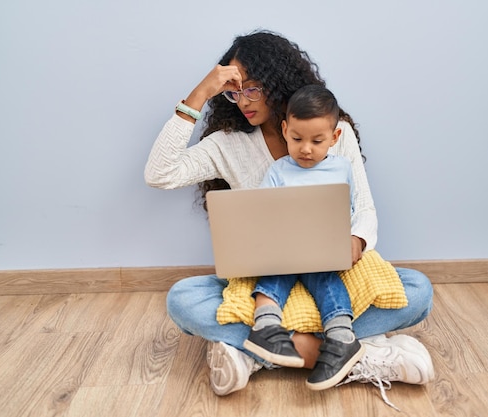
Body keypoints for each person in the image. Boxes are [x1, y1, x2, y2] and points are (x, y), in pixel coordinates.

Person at [144, 30, 435, 400]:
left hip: (331, 272)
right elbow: (159, 175)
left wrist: (356, 240)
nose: (242, 101)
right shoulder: (226, 144)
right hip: (267, 284)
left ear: (277, 81)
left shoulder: (330, 132)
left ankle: (258, 355)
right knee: (182, 299)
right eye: (232, 92)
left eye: (251, 88)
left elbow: (363, 205)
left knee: (417, 290)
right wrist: (200, 93)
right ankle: (343, 356)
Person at [244, 85, 364, 391]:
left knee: (325, 277)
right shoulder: (278, 171)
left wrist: (354, 238)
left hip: (323, 251)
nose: (306, 149)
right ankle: (267, 329)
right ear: (285, 130)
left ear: (335, 138)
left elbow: (352, 210)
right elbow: (260, 213)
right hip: (284, 249)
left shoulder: (342, 167)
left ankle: (341, 338)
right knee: (275, 271)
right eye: (297, 139)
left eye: (317, 141)